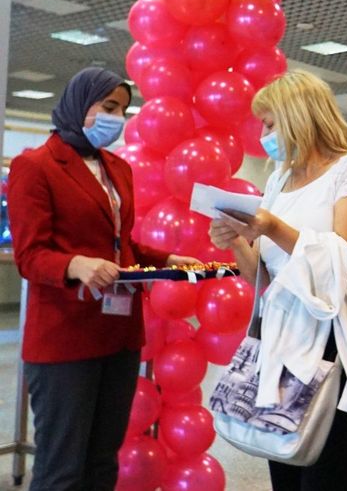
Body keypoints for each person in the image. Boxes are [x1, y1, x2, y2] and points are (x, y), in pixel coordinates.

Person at [7, 67, 197, 490]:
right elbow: (30, 256)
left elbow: (119, 244)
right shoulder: (35, 166)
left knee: (102, 462)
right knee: (62, 469)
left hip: (119, 335)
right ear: (79, 103)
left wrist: (167, 259)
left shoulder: (117, 168)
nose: (117, 118)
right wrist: (74, 265)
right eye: (108, 107)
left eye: (123, 110)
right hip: (64, 338)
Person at [208, 70, 347, 491]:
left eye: (269, 124)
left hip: (331, 335)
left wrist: (272, 226)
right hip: (280, 333)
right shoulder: (279, 179)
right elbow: (262, 278)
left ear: (298, 116)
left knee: (324, 468)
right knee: (282, 457)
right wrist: (236, 239)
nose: (264, 135)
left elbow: (345, 263)